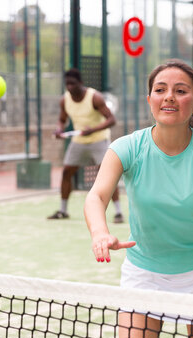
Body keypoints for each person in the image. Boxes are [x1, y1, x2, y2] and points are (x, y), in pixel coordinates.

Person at [84, 59, 193, 338]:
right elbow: (96, 196)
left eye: (180, 90)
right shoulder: (126, 148)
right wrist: (100, 233)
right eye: (160, 90)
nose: (169, 96)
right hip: (144, 273)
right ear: (150, 100)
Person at [48, 68, 123, 223]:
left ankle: (118, 212)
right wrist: (59, 129)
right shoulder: (65, 100)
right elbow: (62, 119)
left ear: (80, 83)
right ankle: (63, 210)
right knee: (67, 172)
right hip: (78, 141)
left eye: (73, 84)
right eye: (67, 84)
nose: (70, 87)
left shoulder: (95, 97)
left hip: (99, 140)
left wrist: (93, 130)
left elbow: (111, 120)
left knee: (107, 176)